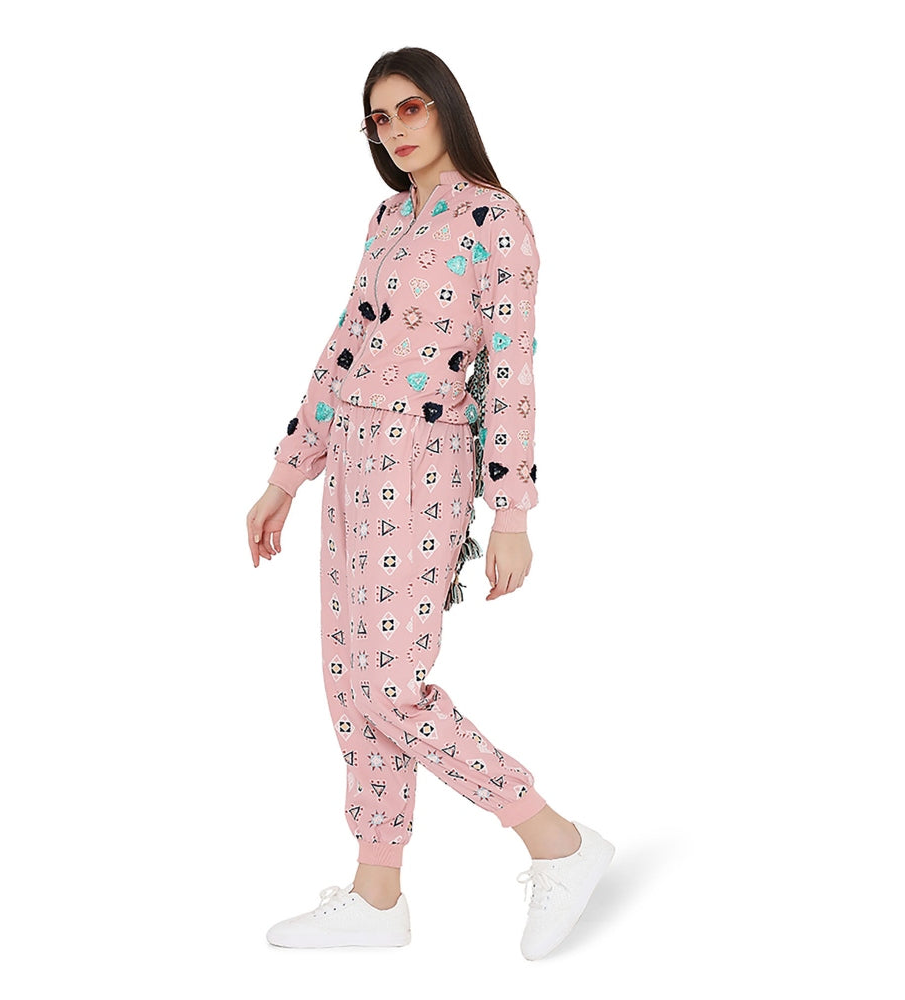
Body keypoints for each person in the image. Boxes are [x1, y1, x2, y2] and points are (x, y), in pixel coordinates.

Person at [246, 47, 614, 960]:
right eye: (380, 119)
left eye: (410, 108)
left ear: (446, 106)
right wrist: (287, 475)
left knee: (389, 685)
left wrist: (513, 514)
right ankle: (377, 896)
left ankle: (554, 838)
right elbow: (343, 347)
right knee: (348, 682)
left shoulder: (497, 219)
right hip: (349, 461)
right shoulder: (387, 219)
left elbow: (513, 371)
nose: (396, 129)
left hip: (424, 464)